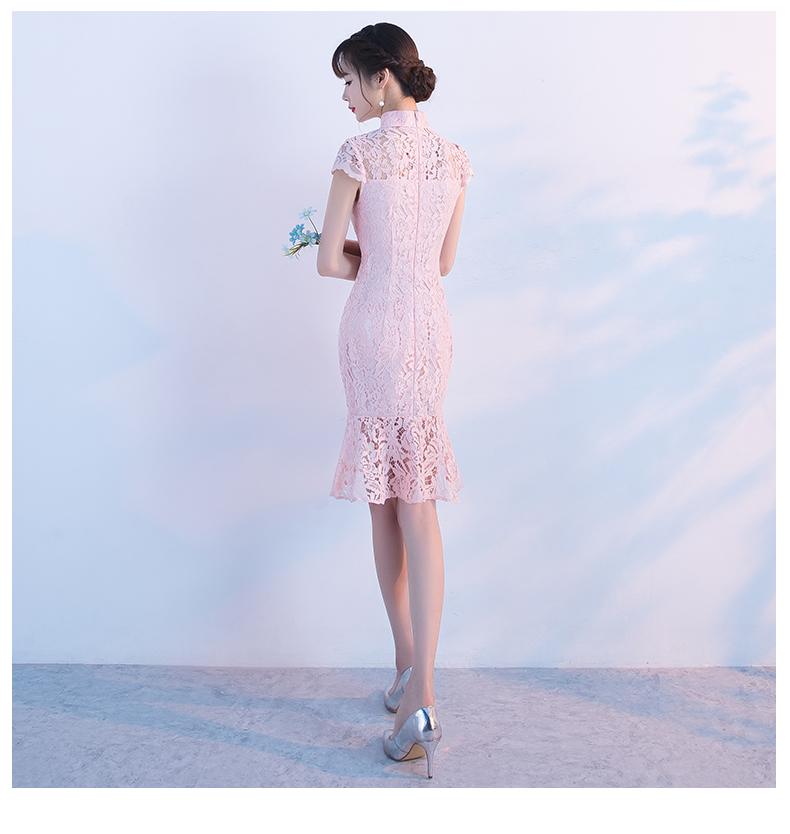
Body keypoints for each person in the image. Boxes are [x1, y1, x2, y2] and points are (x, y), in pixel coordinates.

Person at [316, 22, 471, 779]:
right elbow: (441, 262)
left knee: (385, 496)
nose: (345, 96)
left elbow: (327, 261)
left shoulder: (358, 153)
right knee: (421, 500)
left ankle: (413, 679)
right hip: (430, 331)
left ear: (382, 77)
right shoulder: (455, 157)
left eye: (348, 80)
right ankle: (420, 685)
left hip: (375, 328)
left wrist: (358, 254)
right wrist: (389, 257)